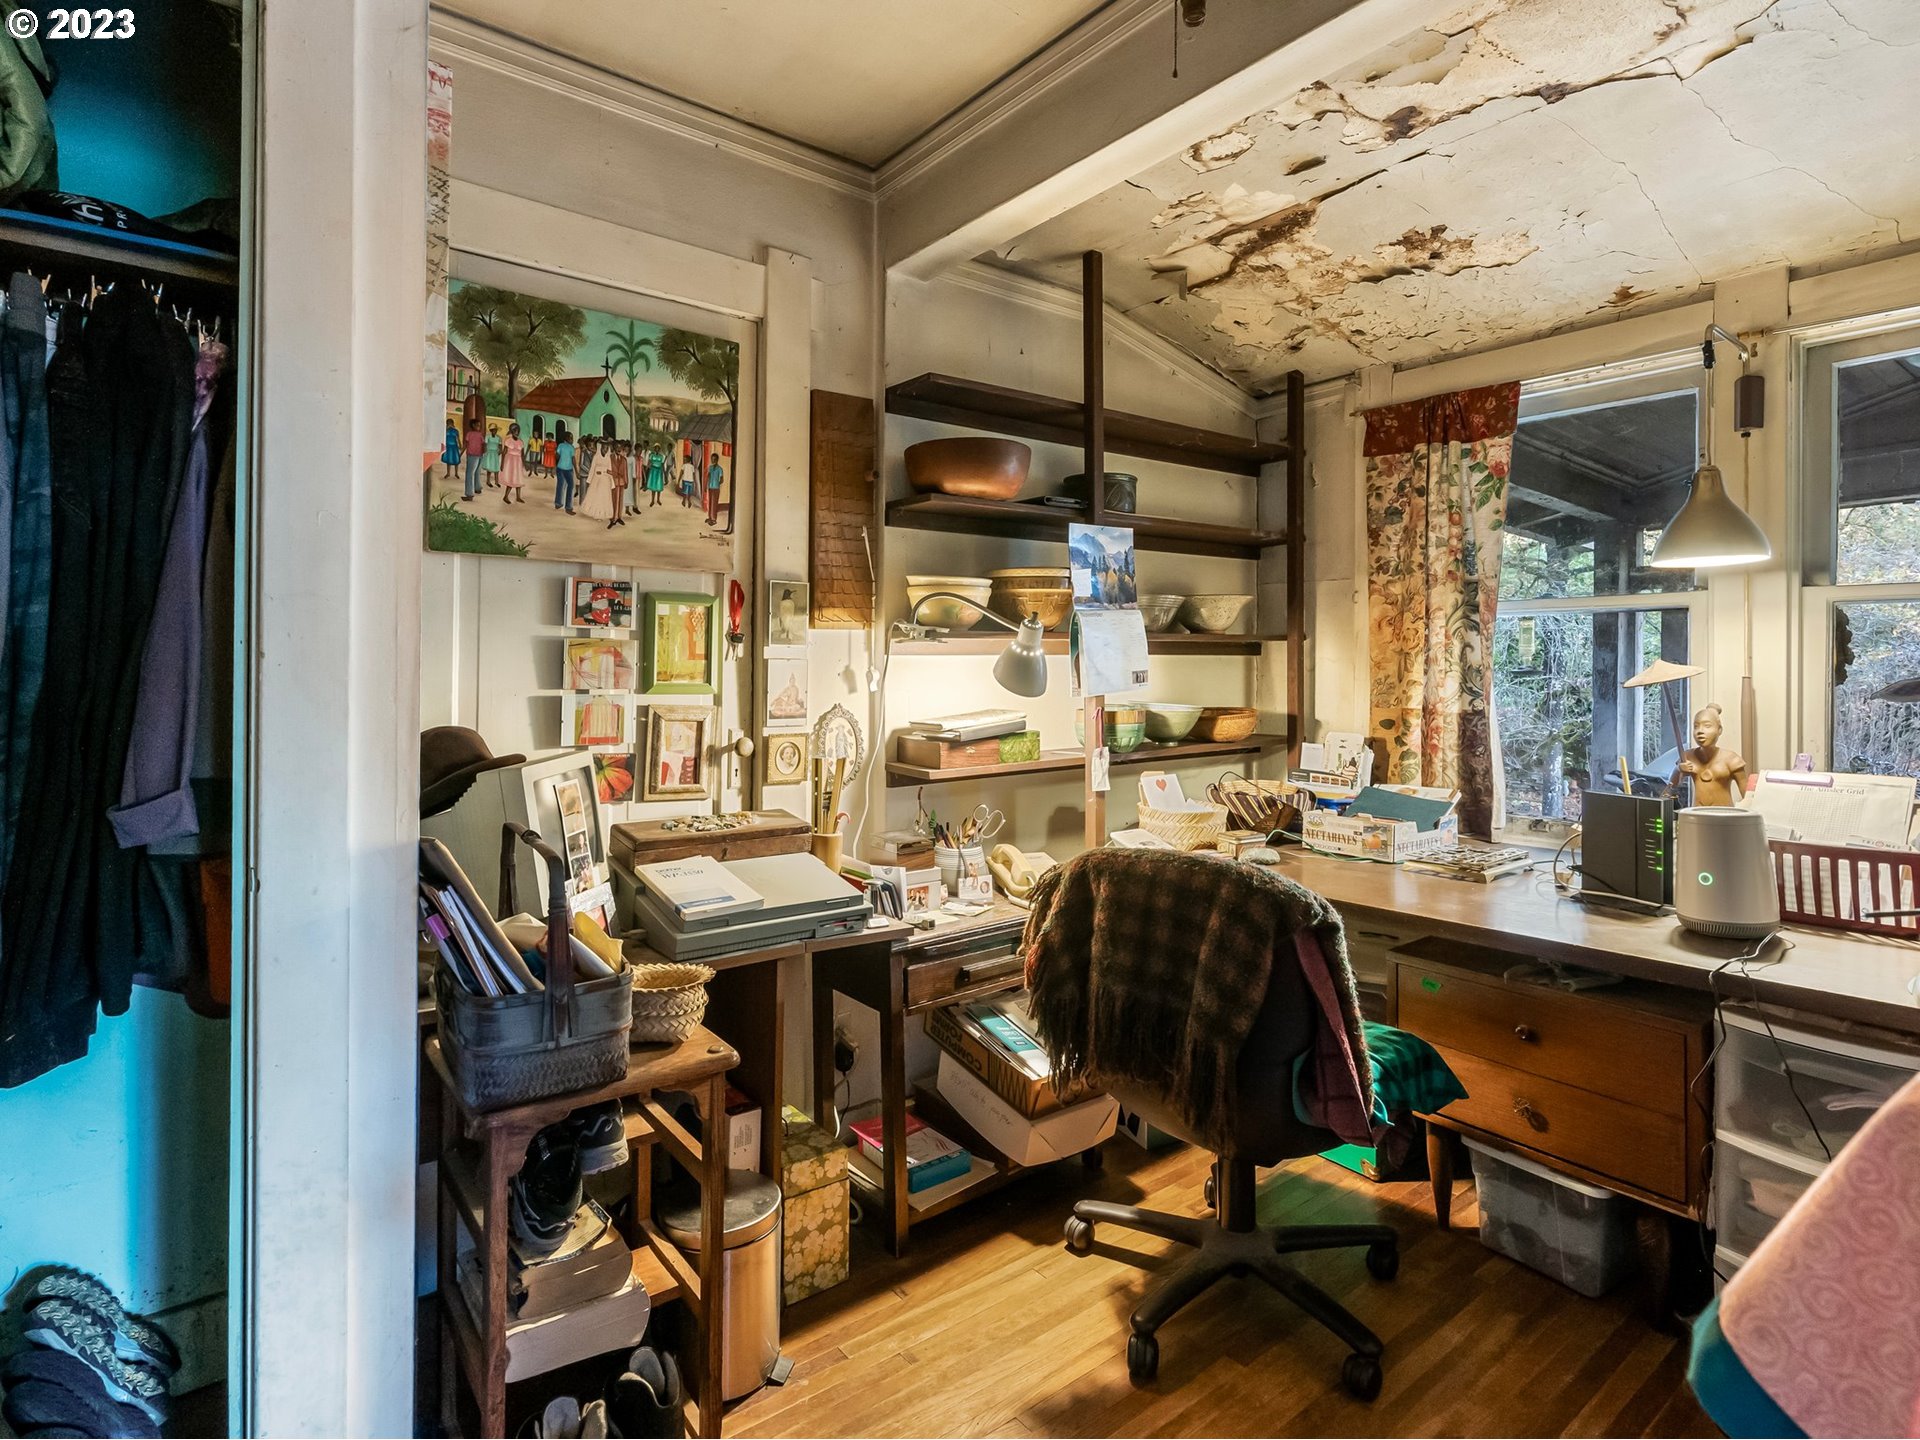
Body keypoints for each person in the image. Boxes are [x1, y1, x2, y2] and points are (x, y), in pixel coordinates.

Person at [1671, 702, 1749, 806]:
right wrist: (1678, 769)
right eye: (1696, 726)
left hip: (1724, 814)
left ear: (1719, 730)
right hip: (1697, 814)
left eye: (1707, 726)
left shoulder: (1731, 759)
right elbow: (1670, 788)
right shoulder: (1688, 757)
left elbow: (1747, 796)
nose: (1700, 731)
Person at [552, 423, 576, 513]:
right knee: (569, 486)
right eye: (571, 438)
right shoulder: (570, 447)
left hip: (562, 468)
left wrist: (558, 462)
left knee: (561, 485)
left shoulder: (561, 446)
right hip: (566, 469)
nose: (572, 440)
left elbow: (557, 456)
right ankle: (567, 507)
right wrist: (576, 470)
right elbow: (573, 460)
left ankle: (559, 503)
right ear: (566, 438)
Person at [499, 421, 525, 503]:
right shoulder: (508, 440)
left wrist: (524, 464)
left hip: (518, 462)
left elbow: (522, 454)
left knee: (518, 479)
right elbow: (504, 452)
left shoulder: (521, 442)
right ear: (512, 431)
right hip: (510, 462)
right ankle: (505, 496)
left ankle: (518, 497)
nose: (517, 433)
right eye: (515, 431)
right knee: (511, 479)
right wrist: (502, 464)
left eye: (518, 431)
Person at [462, 421, 484, 501]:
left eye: (479, 425)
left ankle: (469, 494)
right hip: (477, 455)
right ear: (473, 425)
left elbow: (483, 444)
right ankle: (477, 488)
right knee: (476, 472)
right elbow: (466, 444)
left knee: (470, 474)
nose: (479, 427)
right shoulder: (475, 434)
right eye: (477, 425)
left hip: (474, 455)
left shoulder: (471, 434)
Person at [704, 451, 725, 526]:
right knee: (710, 502)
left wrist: (717, 483)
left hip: (716, 488)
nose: (713, 460)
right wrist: (706, 486)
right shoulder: (710, 468)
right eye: (712, 459)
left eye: (714, 459)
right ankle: (710, 517)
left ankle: (714, 519)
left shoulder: (720, 469)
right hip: (710, 487)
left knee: (714, 503)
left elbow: (722, 479)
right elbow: (708, 477)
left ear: (717, 459)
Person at [483, 424, 503, 488]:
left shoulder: (498, 438)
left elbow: (500, 445)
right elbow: (485, 444)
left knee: (496, 468)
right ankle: (488, 481)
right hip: (489, 453)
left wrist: (500, 451)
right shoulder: (488, 437)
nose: (495, 431)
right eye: (494, 430)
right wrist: (485, 451)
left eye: (496, 430)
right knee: (489, 468)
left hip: (495, 453)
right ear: (491, 430)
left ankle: (496, 482)